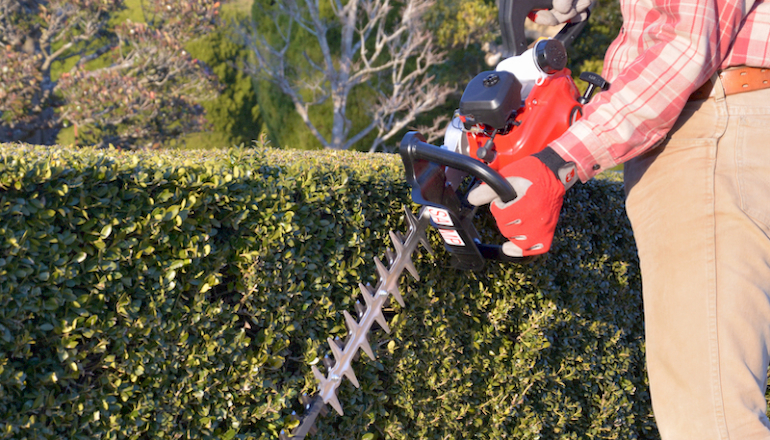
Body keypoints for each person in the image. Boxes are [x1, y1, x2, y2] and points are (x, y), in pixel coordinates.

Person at [467, 0, 770, 438]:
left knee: (711, 421)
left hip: (711, 126)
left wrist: (560, 161)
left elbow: (685, 47)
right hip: (740, 121)